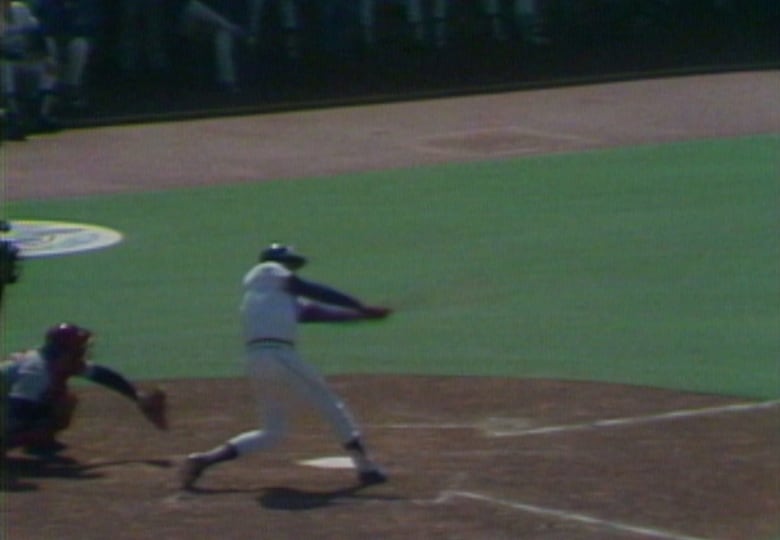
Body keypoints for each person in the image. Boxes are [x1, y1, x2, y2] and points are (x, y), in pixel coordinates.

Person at [179, 243, 392, 489]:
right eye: (289, 264)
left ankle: (204, 460)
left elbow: (318, 313)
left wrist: (362, 316)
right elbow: (311, 290)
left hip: (258, 360)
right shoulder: (267, 271)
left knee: (272, 432)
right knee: (331, 404)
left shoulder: (271, 297)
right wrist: (358, 305)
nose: (292, 269)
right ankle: (366, 469)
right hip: (278, 355)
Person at [0, 323, 168, 457]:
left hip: (11, 405)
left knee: (63, 401)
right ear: (65, 351)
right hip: (11, 410)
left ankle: (36, 442)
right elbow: (17, 413)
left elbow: (102, 375)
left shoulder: (56, 360)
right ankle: (29, 442)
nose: (83, 351)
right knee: (46, 410)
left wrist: (137, 396)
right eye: (79, 348)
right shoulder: (36, 373)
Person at [0, 0, 59, 140]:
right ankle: (14, 117)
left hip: (24, 62)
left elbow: (38, 35)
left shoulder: (21, 9)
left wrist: (46, 55)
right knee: (4, 66)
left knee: (48, 66)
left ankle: (42, 114)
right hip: (6, 65)